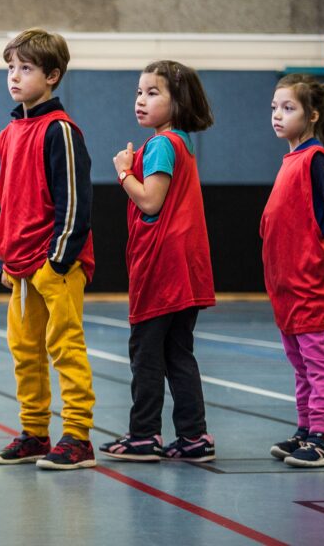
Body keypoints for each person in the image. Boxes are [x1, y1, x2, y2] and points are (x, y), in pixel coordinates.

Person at [0, 28, 98, 470]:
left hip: (55, 264)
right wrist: (4, 256)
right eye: (11, 67)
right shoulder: (10, 132)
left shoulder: (62, 132)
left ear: (53, 76)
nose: (15, 76)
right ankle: (34, 432)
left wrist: (59, 258)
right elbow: (9, 200)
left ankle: (77, 436)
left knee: (64, 346)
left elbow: (75, 199)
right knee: (24, 349)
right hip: (18, 264)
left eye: (26, 68)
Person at [102, 60, 217, 463]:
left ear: (178, 101)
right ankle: (193, 437)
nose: (141, 100)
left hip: (162, 266)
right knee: (177, 353)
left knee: (146, 353)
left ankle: (143, 434)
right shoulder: (181, 143)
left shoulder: (163, 145)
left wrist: (122, 173)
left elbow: (151, 200)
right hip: (182, 267)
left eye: (153, 93)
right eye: (139, 92)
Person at [263, 73, 324, 468]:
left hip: (309, 280)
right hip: (285, 282)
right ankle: (305, 428)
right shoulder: (291, 158)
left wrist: (315, 246)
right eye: (274, 108)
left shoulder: (316, 159)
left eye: (288, 108)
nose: (278, 116)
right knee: (299, 361)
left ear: (313, 115)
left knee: (316, 359)